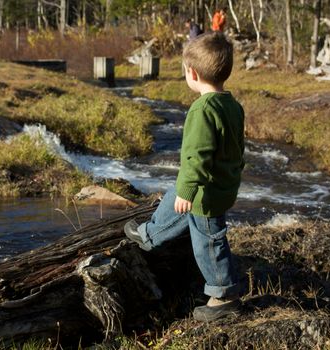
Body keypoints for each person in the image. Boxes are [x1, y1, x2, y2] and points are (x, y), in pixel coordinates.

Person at [124, 32, 245, 322]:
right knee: (174, 199)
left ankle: (223, 295)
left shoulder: (201, 110)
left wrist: (188, 189)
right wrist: (184, 190)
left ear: (192, 74)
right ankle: (150, 235)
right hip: (221, 184)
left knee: (209, 240)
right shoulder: (232, 105)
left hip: (206, 190)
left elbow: (196, 156)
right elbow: (236, 148)